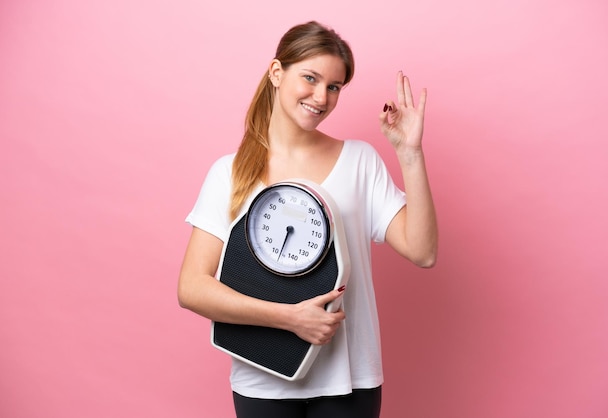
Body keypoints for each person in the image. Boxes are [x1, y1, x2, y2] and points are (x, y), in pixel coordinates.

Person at [178, 20, 438, 418]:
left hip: (350, 381)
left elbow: (423, 252)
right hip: (262, 380)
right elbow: (192, 288)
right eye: (310, 78)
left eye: (334, 87)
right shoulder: (229, 172)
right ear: (276, 72)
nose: (321, 96)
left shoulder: (359, 160)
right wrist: (289, 319)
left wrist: (410, 154)